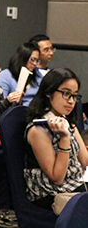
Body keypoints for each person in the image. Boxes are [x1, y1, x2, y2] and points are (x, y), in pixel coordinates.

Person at [24, 67, 88, 210]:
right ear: (48, 92)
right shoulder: (38, 130)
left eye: (75, 96)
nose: (71, 101)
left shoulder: (64, 119)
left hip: (74, 182)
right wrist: (65, 138)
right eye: (66, 94)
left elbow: (85, 161)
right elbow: (57, 178)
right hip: (49, 193)